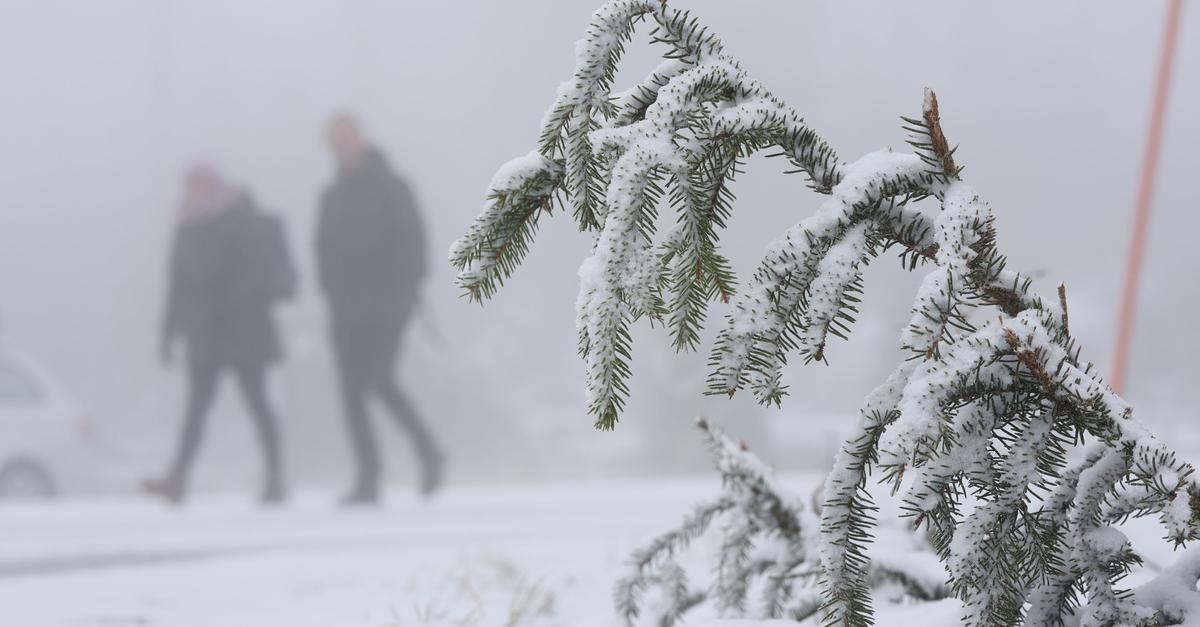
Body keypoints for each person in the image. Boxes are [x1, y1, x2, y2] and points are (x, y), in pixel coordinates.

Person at [145, 163, 296, 505]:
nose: (191, 191)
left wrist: (242, 295)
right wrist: (168, 333)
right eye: (188, 184)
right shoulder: (186, 227)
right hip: (205, 333)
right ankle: (178, 478)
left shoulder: (245, 220)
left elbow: (262, 273)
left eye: (197, 184)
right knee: (196, 409)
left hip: (245, 330)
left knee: (257, 404)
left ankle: (275, 476)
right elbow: (178, 286)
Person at [317, 113, 443, 505]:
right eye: (335, 139)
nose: (342, 145)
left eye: (346, 136)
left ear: (361, 138)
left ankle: (428, 449)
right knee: (350, 393)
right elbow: (322, 250)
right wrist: (332, 294)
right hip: (345, 310)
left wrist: (403, 292)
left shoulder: (392, 186)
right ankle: (368, 477)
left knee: (378, 378)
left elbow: (415, 244)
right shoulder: (332, 196)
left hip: (388, 305)